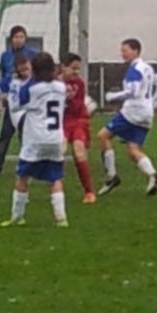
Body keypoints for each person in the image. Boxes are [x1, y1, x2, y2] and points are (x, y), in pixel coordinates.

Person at [2, 52, 69, 228]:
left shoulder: (32, 89)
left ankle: (17, 216)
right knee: (54, 178)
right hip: (55, 138)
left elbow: (17, 105)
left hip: (35, 139)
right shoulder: (61, 87)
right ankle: (61, 218)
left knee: (22, 176)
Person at [97, 39, 157, 196]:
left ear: (135, 51)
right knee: (133, 149)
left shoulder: (134, 69)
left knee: (103, 136)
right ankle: (153, 175)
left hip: (132, 112)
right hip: (146, 114)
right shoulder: (148, 68)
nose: (122, 54)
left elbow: (132, 92)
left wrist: (112, 96)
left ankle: (111, 176)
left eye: (125, 50)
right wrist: (154, 102)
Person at [0, 26, 39, 177]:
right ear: (11, 39)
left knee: (26, 135)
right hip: (12, 102)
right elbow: (4, 77)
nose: (19, 40)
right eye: (16, 37)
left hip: (27, 102)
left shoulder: (33, 54)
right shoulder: (5, 56)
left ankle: (27, 166)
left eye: (21, 37)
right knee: (5, 134)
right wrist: (3, 95)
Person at [61, 53, 96, 204]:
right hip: (61, 122)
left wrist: (71, 99)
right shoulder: (54, 83)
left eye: (78, 69)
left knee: (79, 151)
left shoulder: (79, 84)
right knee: (59, 152)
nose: (76, 72)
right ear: (63, 67)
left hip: (77, 120)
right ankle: (57, 189)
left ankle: (89, 192)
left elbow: (78, 105)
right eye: (73, 68)